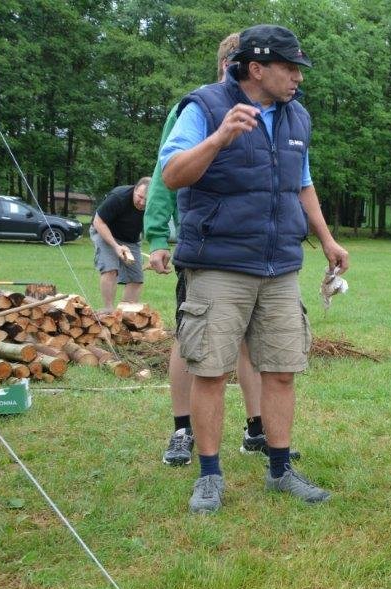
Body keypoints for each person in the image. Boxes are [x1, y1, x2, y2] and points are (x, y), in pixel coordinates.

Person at [159, 24, 349, 513]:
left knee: (282, 370)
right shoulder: (203, 107)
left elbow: (301, 183)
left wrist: (327, 239)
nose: (298, 78)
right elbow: (172, 174)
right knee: (211, 372)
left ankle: (280, 470)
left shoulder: (296, 116)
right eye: (290, 68)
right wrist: (220, 138)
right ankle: (209, 475)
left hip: (280, 265)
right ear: (257, 68)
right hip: (219, 264)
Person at [145, 33, 271, 468]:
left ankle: (257, 429)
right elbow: (165, 173)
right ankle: (183, 429)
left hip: (253, 251)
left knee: (251, 342)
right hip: (205, 248)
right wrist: (156, 236)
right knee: (191, 338)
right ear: (227, 65)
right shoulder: (195, 107)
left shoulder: (269, 110)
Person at [91, 177, 150, 312]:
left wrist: (155, 251)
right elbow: (98, 222)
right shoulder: (119, 197)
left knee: (136, 278)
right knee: (110, 268)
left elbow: (155, 228)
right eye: (140, 197)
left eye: (146, 200)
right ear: (134, 189)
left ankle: (126, 313)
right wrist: (116, 246)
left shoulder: (155, 203)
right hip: (105, 231)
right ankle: (109, 310)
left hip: (130, 239)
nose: (142, 203)